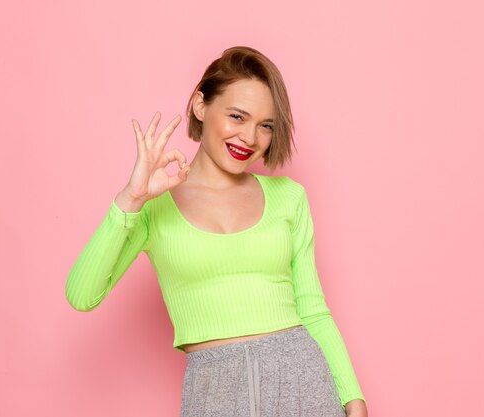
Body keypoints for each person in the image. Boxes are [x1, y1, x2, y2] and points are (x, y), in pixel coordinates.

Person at [66, 46, 368, 417]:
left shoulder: (289, 198)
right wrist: (131, 200)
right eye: (237, 116)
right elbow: (83, 295)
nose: (250, 137)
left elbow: (313, 309)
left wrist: (353, 398)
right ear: (200, 106)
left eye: (265, 125)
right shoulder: (153, 207)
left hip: (302, 381)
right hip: (214, 390)